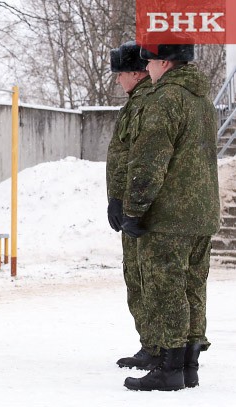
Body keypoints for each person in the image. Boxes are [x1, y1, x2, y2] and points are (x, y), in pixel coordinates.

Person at [121, 44, 220, 391]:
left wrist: (133, 209)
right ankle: (189, 366)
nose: (146, 68)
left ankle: (169, 367)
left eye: (149, 61)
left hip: (169, 215)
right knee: (193, 287)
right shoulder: (203, 100)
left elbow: (149, 162)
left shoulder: (166, 99)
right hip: (201, 212)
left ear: (165, 62)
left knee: (167, 289)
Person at [105, 41, 159, 370]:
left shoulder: (145, 104)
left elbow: (140, 159)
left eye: (120, 73)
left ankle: (157, 347)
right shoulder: (136, 103)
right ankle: (153, 345)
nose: (116, 80)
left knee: (143, 278)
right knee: (140, 278)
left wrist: (130, 205)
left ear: (136, 73)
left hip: (138, 205)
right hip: (130, 201)